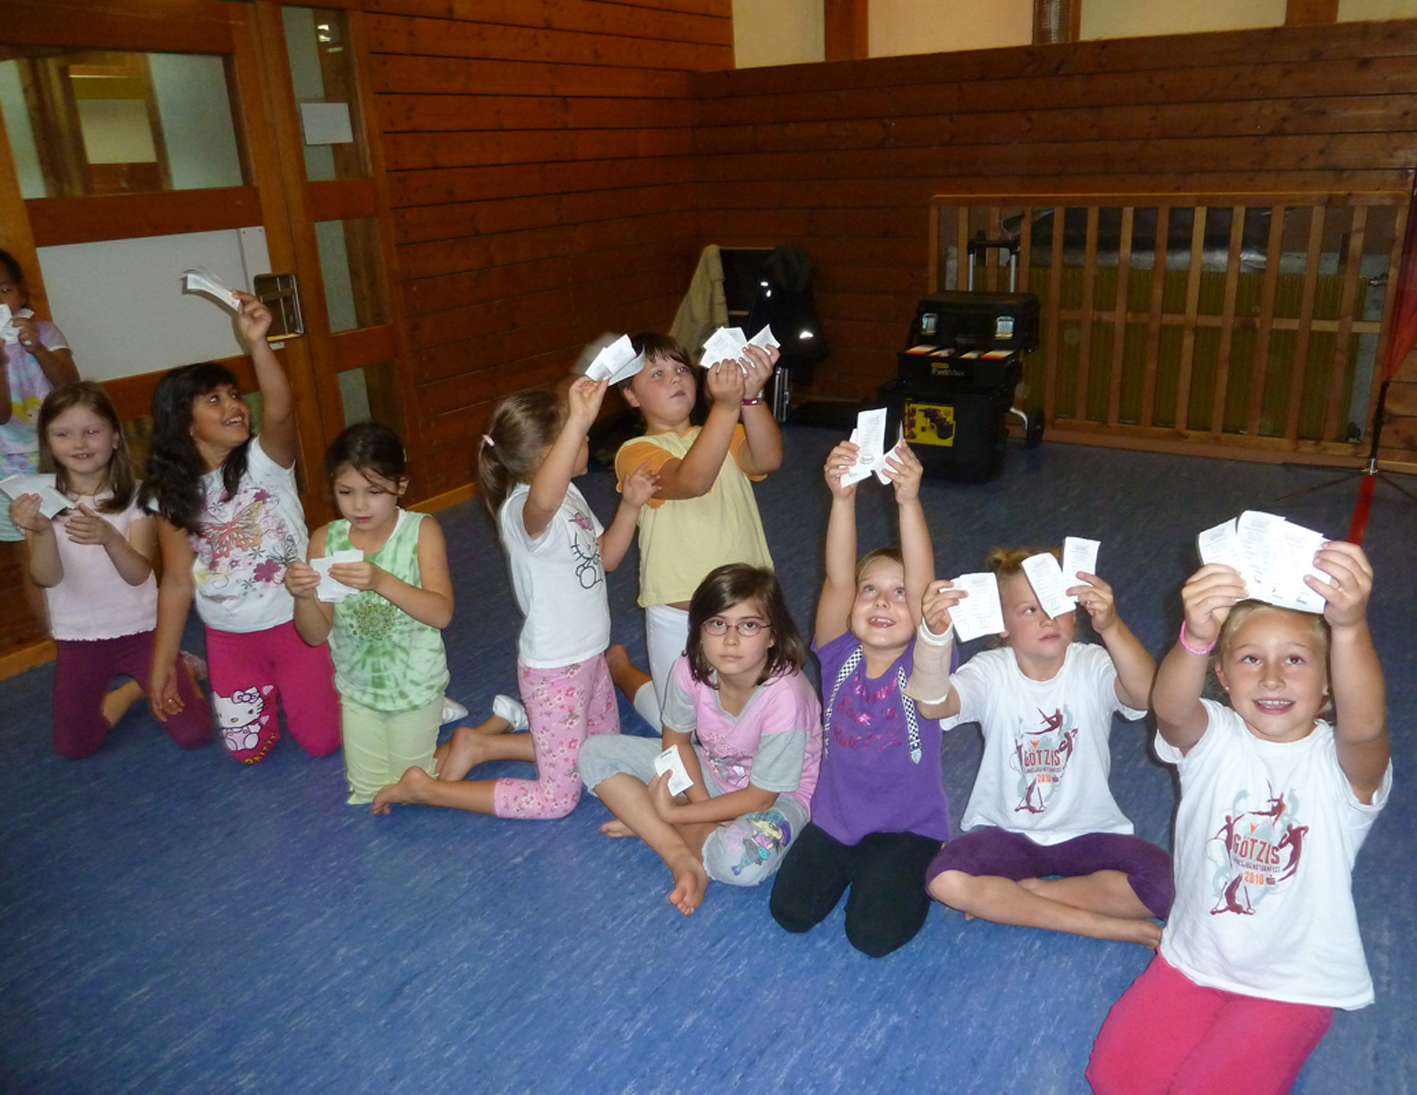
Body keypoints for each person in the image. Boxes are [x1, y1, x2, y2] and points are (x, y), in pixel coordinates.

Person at [1087, 543, 1390, 1095]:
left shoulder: (1342, 765)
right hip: (1195, 957)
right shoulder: (1215, 738)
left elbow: (1366, 727)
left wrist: (1348, 629)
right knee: (1114, 1079)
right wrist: (1195, 638)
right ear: (1222, 676)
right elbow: (1171, 710)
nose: (1272, 677)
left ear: (1330, 683)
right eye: (1250, 659)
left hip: (1293, 982)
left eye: (1295, 660)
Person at [372, 376, 656, 819]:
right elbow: (543, 499)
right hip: (555, 670)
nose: (587, 440)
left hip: (590, 656)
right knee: (558, 799)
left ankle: (480, 744)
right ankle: (428, 790)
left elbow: (607, 558)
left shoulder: (570, 496)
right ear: (549, 455)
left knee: (600, 753)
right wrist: (576, 420)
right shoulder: (522, 512)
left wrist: (631, 506)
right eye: (578, 437)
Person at [916, 547, 1173, 945]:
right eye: (1029, 610)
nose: (1047, 619)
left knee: (1169, 884)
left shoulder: (1092, 663)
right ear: (1002, 625)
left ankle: (1020, 897)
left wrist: (1111, 626)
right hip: (1009, 832)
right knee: (944, 880)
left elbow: (1146, 695)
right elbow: (933, 705)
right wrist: (934, 637)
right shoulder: (990, 672)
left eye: (1057, 605)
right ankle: (1109, 926)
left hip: (1089, 832)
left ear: (1076, 612)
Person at [769, 436, 952, 957]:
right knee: (790, 913)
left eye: (899, 594)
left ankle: (914, 864)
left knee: (871, 937)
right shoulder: (838, 651)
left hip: (909, 826)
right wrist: (842, 498)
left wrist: (908, 500)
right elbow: (837, 578)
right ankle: (862, 864)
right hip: (838, 817)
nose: (883, 602)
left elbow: (924, 587)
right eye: (870, 590)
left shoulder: (925, 657)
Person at [141, 294, 339, 764]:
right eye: (214, 399)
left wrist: (259, 344)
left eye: (234, 395)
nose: (234, 405)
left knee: (322, 742)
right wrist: (163, 663)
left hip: (295, 623)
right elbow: (176, 581)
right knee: (246, 751)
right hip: (229, 637)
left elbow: (280, 412)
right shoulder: (170, 493)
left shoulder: (263, 461)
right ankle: (274, 688)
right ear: (185, 425)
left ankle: (335, 677)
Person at [579, 564, 822, 916]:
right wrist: (701, 807)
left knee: (740, 864)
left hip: (779, 796)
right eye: (717, 624)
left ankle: (655, 820)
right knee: (594, 753)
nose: (731, 640)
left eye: (749, 625)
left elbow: (760, 797)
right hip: (711, 772)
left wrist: (678, 812)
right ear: (699, 630)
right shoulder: (689, 669)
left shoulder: (785, 696)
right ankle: (679, 855)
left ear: (773, 636)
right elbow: (676, 743)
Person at [8, 382, 209, 758]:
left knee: (194, 733)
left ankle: (173, 667)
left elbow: (139, 574)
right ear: (48, 442)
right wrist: (41, 531)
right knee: (75, 747)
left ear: (115, 437)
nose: (79, 443)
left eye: (92, 431)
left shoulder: (138, 495)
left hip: (142, 633)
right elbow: (47, 577)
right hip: (78, 639)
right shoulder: (38, 498)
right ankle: (135, 689)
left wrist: (109, 538)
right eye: (63, 434)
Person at [603, 333, 781, 731]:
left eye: (682, 369)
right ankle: (621, 669)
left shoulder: (725, 431)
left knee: (750, 712)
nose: (675, 378)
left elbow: (768, 458)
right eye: (657, 374)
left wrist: (752, 397)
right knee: (676, 722)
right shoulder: (633, 452)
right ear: (631, 395)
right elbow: (692, 481)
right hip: (678, 615)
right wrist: (727, 407)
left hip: (744, 605)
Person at [283, 423, 453, 805]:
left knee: (409, 793)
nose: (359, 506)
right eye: (346, 492)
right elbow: (314, 634)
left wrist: (380, 580)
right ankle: (458, 741)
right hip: (359, 692)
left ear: (401, 486)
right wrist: (303, 597)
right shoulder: (325, 540)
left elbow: (441, 614)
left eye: (374, 492)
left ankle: (477, 740)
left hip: (415, 686)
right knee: (370, 794)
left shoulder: (422, 531)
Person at [0, 250, 79, 628]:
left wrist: (37, 348)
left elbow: (71, 387)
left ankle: (93, 624)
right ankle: (54, 634)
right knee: (27, 552)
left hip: (60, 458)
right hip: (6, 469)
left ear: (21, 293)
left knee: (74, 539)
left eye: (4, 290)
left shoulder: (45, 332)